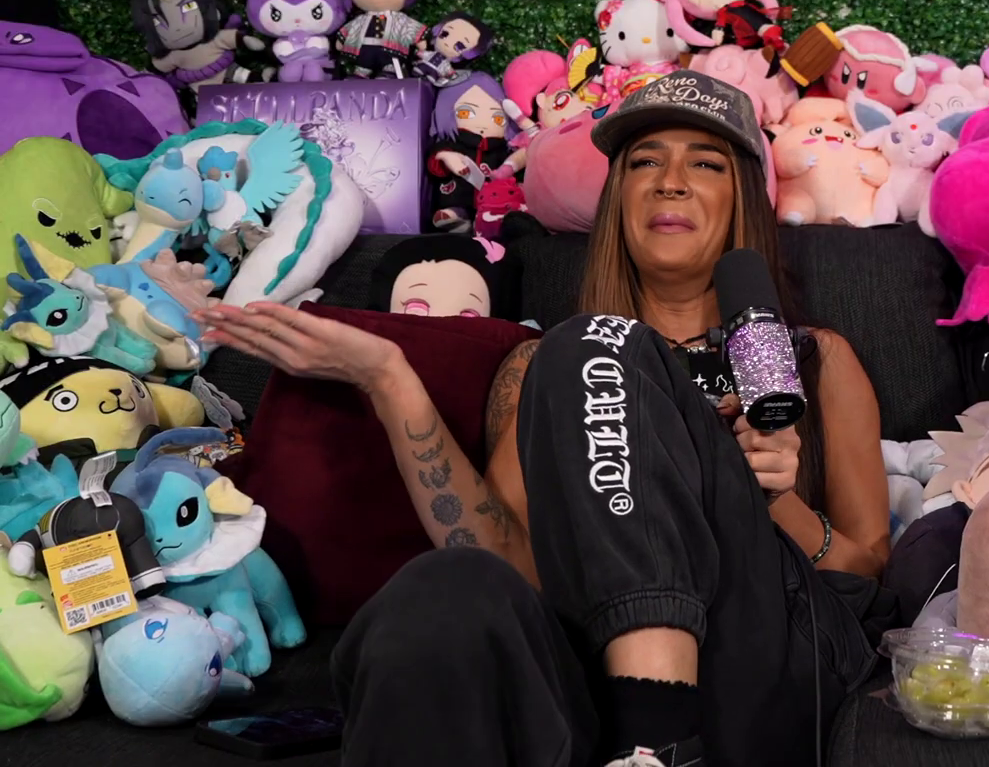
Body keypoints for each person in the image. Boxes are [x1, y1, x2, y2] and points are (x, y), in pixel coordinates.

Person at [200, 71, 891, 767]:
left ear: (744, 198)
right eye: (644, 163)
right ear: (617, 199)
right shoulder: (551, 366)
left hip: (767, 661)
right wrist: (390, 380)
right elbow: (503, 561)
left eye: (705, 164)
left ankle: (655, 732)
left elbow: (864, 571)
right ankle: (651, 740)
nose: (670, 182)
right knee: (440, 590)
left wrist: (767, 499)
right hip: (594, 671)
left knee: (597, 344)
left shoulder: (816, 359)